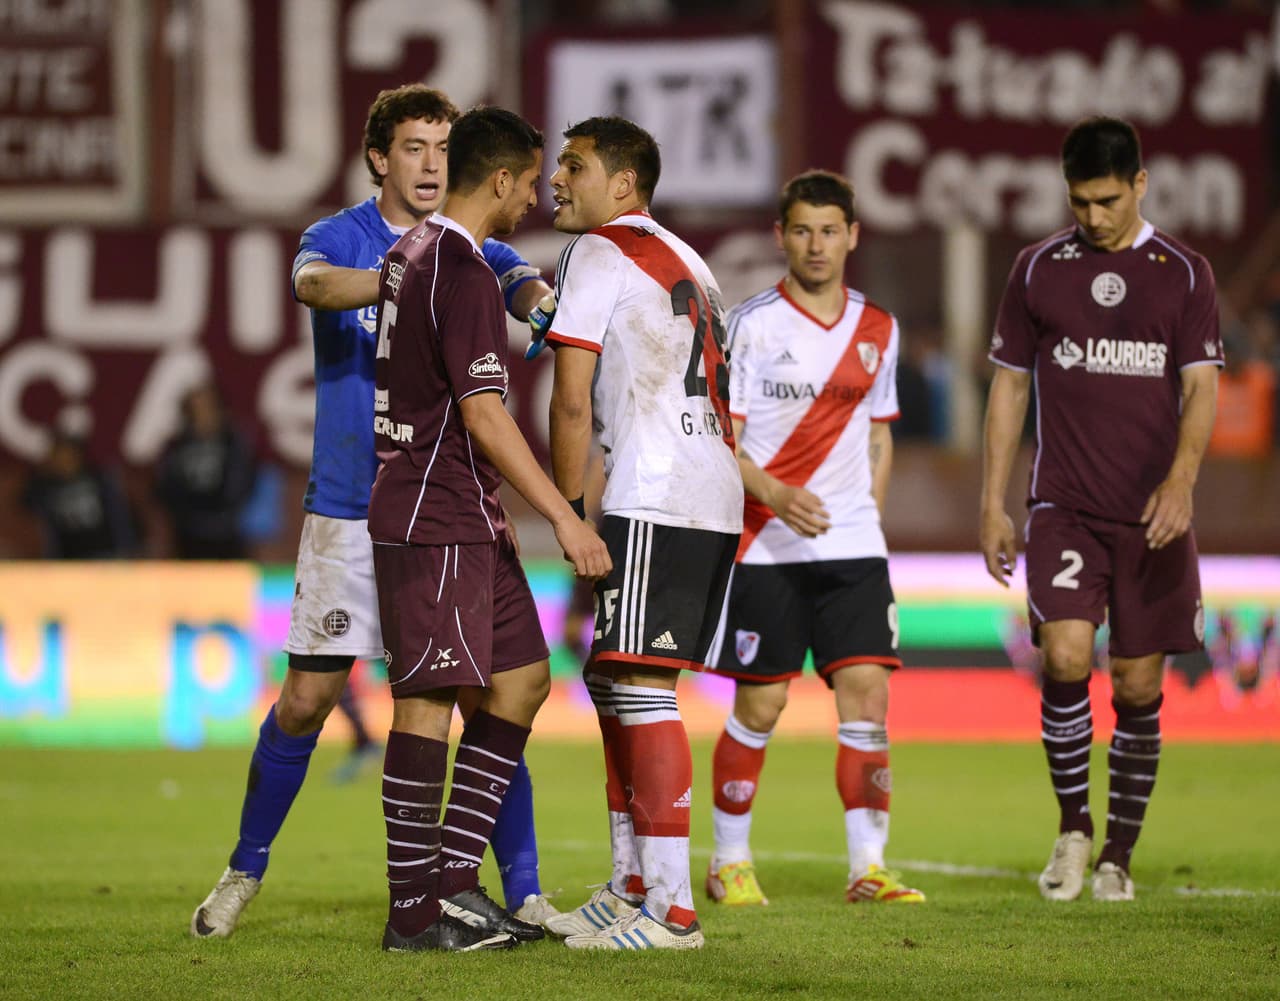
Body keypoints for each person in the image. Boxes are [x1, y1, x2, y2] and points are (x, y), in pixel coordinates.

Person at [191, 85, 561, 940]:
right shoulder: (342, 238)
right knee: (309, 698)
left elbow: (523, 280)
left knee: (482, 697)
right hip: (349, 507)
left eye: (443, 147)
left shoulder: (472, 249)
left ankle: (525, 887)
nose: (432, 163)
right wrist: (401, 276)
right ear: (379, 158)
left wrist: (543, 307)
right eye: (414, 147)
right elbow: (316, 287)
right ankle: (246, 867)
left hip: (437, 513)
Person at [368, 105, 611, 953]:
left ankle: (456, 884)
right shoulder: (464, 271)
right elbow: (483, 413)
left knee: (520, 679)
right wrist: (567, 518)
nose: (534, 201)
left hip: (460, 512)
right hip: (436, 515)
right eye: (529, 182)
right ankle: (414, 916)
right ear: (501, 178)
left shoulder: (410, 251)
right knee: (427, 705)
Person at [980, 116, 1222, 903]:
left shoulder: (1184, 273)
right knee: (1064, 656)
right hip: (1066, 506)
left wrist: (1183, 480)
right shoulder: (1036, 269)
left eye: (1108, 199)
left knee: (1140, 684)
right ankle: (1074, 830)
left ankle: (1120, 852)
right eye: (1079, 201)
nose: (1093, 216)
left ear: (1141, 185)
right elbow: (1010, 383)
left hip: (1152, 512)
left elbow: (1202, 386)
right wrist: (992, 501)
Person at [540, 116, 743, 950]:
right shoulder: (689, 260)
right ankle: (629, 888)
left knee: (643, 686)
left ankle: (670, 909)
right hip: (699, 484)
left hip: (660, 489)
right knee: (611, 675)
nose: (558, 179)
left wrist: (566, 510)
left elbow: (571, 399)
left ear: (624, 184)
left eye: (576, 166)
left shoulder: (598, 250)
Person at [703, 170, 925, 908]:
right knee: (761, 706)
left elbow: (881, 438)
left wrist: (870, 519)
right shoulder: (753, 324)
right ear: (781, 236)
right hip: (767, 542)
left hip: (854, 548)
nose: (817, 244)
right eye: (802, 229)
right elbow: (720, 441)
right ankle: (729, 860)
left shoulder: (879, 330)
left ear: (853, 235)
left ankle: (870, 866)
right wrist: (774, 495)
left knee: (868, 698)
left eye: (830, 230)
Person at [155, 382, 257, 559]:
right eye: (197, 408)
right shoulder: (177, 446)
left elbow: (242, 482)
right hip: (187, 534)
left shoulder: (233, 443)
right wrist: (187, 517)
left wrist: (223, 517)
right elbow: (167, 486)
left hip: (227, 533)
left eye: (208, 407)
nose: (204, 414)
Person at [20, 425, 136, 559]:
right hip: (69, 558)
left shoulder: (97, 477)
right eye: (58, 454)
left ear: (78, 454)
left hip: (106, 553)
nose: (64, 459)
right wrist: (41, 473)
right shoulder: (46, 485)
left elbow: (118, 514)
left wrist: (126, 548)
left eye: (68, 453)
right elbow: (26, 504)